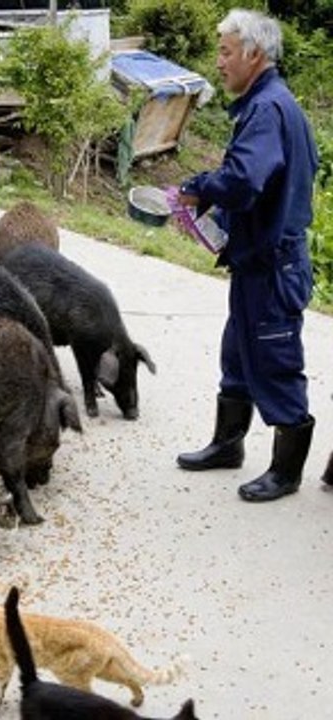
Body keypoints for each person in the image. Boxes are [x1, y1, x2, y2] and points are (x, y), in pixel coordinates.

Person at [174, 8, 320, 502]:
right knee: (238, 354)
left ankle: (286, 472)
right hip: (258, 261)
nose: (219, 61)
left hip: (273, 264)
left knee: (275, 359)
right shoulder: (274, 104)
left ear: (254, 55)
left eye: (225, 51)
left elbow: (242, 179)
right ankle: (227, 445)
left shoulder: (266, 109)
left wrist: (198, 190)